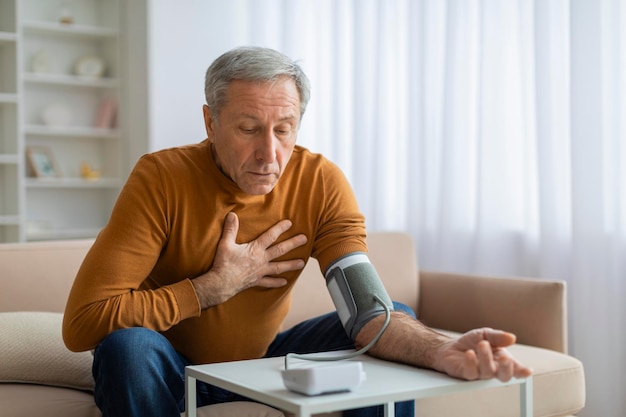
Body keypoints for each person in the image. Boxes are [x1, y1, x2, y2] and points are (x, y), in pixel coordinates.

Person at [62, 46, 532, 417]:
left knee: (396, 315)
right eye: (248, 128)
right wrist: (209, 289)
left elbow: (368, 314)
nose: (270, 154)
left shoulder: (321, 181)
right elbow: (82, 323)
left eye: (284, 129)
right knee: (128, 347)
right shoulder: (161, 178)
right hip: (168, 365)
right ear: (210, 122)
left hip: (266, 362)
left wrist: (441, 350)